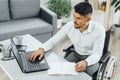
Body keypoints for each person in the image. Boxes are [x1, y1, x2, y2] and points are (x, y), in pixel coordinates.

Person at [29, 2, 105, 78]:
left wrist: (86, 62)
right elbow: (53, 40)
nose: (74, 21)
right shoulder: (70, 26)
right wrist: (41, 49)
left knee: (85, 76)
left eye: (78, 18)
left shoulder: (99, 30)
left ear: (88, 19)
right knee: (62, 71)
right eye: (74, 16)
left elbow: (97, 54)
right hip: (76, 54)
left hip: (90, 57)